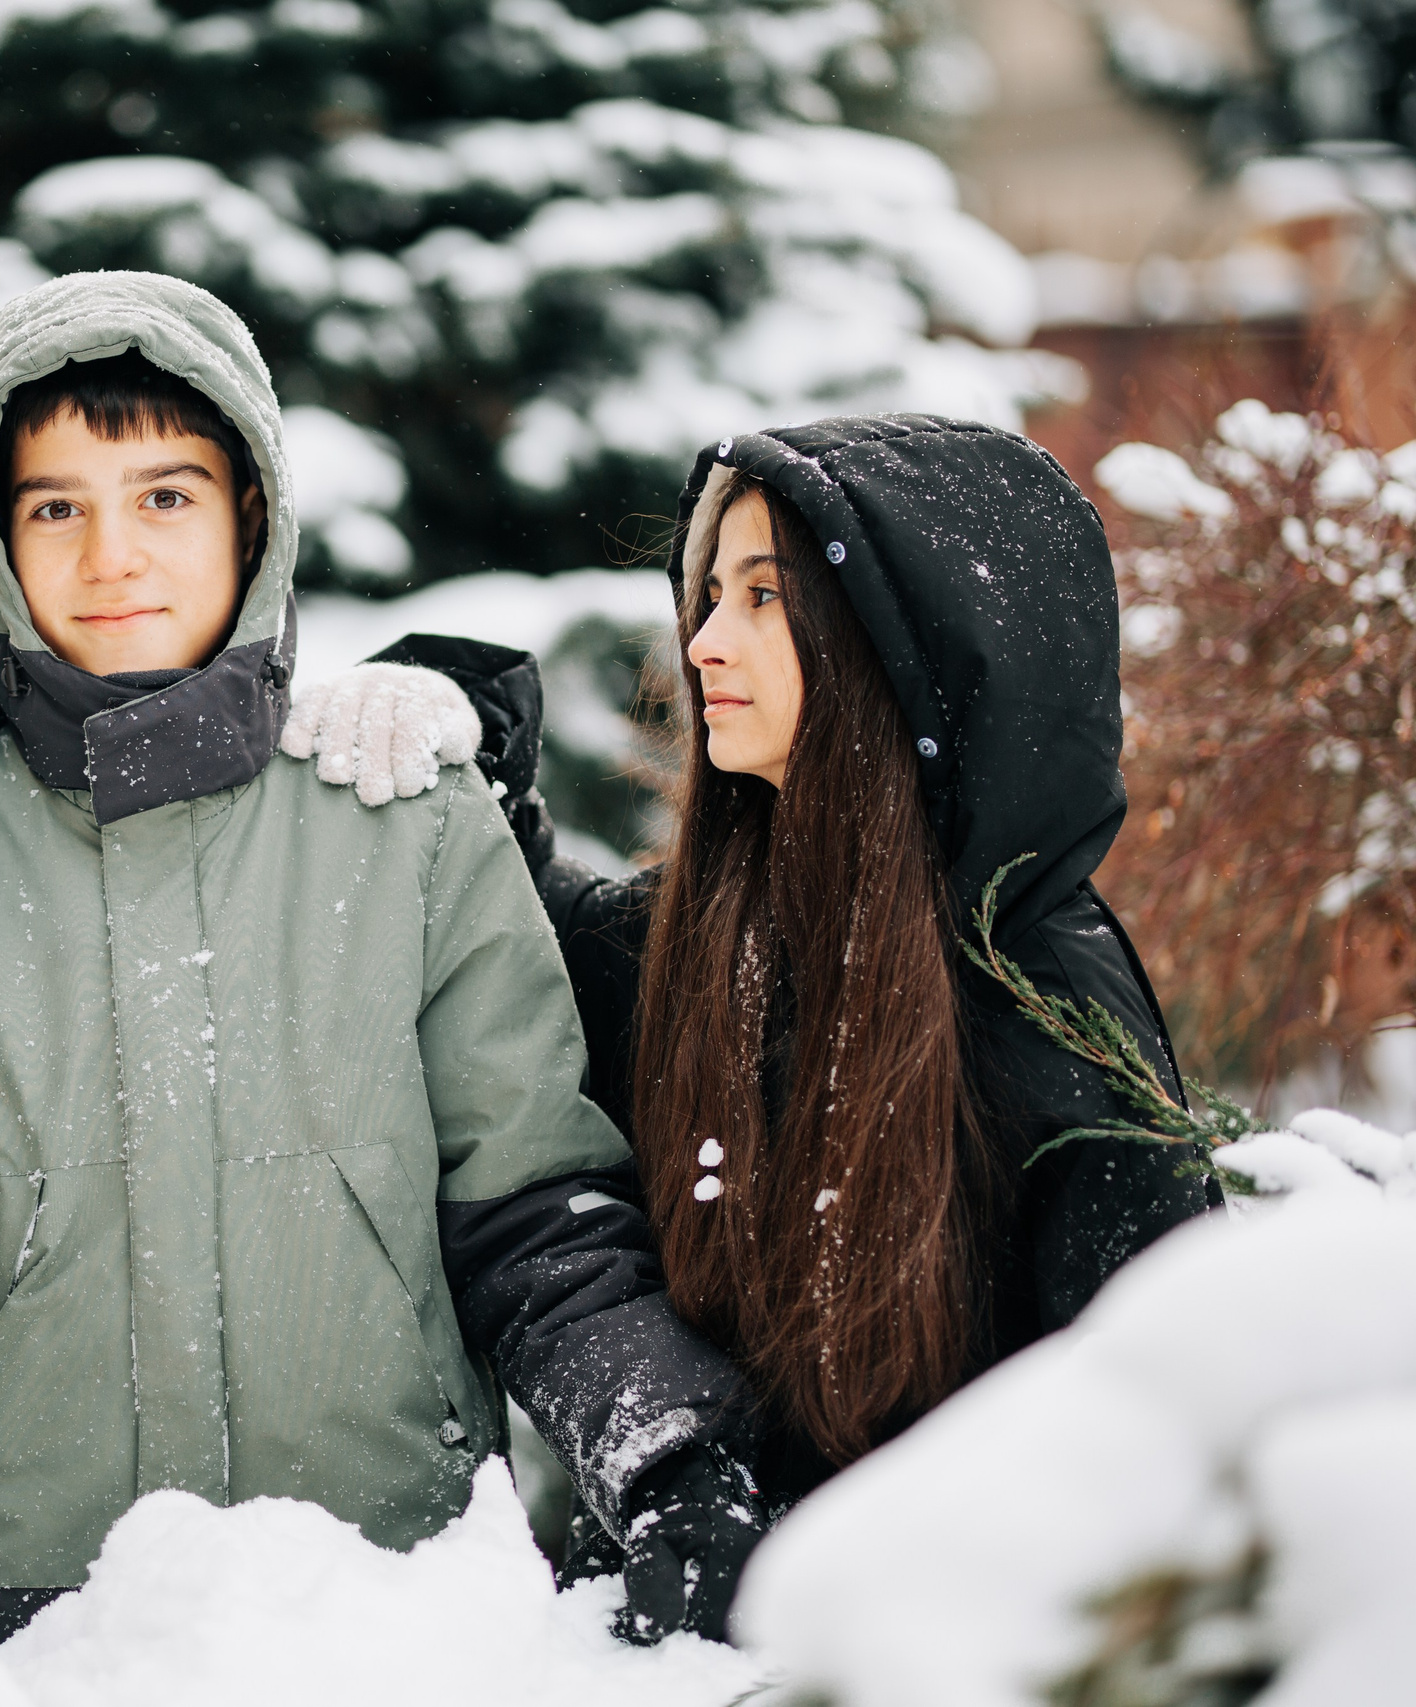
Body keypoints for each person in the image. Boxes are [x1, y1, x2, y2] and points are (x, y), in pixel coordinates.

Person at [0, 270, 767, 1658]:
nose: (111, 556)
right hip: (6, 1620)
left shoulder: (404, 817)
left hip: (379, 1598)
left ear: (251, 514)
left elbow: (537, 1224)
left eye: (164, 497)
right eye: (55, 508)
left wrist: (675, 1458)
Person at [366, 415, 1219, 1527]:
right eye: (711, 595)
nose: (704, 643)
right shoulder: (717, 929)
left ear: (910, 641)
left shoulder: (1038, 1001)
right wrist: (450, 722)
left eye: (764, 596)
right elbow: (529, 937)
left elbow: (1157, 1455)